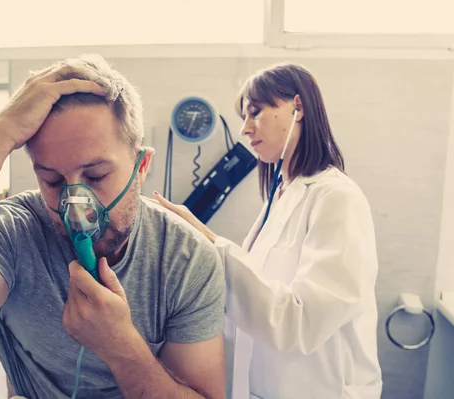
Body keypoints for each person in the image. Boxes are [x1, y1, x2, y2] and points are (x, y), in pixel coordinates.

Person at [0, 54, 226, 399]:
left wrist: (121, 347)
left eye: (95, 175)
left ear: (141, 167)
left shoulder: (186, 259)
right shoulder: (13, 235)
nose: (76, 207)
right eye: (52, 180)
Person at [152, 63, 382, 399]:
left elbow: (299, 322)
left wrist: (209, 243)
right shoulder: (280, 197)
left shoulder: (337, 198)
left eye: (256, 112)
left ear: (298, 107)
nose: (245, 129)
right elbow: (258, 296)